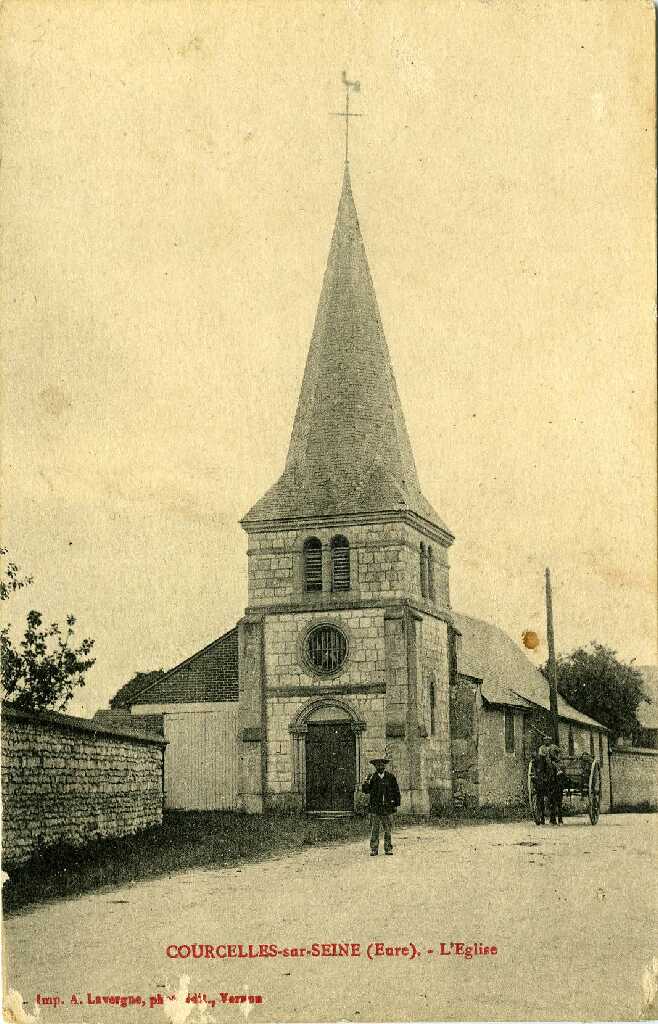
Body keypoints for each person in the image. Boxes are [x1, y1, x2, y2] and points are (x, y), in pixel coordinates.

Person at [362, 755, 401, 856]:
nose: (380, 767)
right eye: (377, 765)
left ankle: (388, 848)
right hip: (375, 808)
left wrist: (396, 804)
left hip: (387, 808)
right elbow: (366, 791)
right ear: (375, 766)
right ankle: (374, 849)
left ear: (385, 766)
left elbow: (396, 791)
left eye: (382, 764)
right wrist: (365, 782)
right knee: (374, 829)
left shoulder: (390, 777)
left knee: (387, 829)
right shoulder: (372, 777)